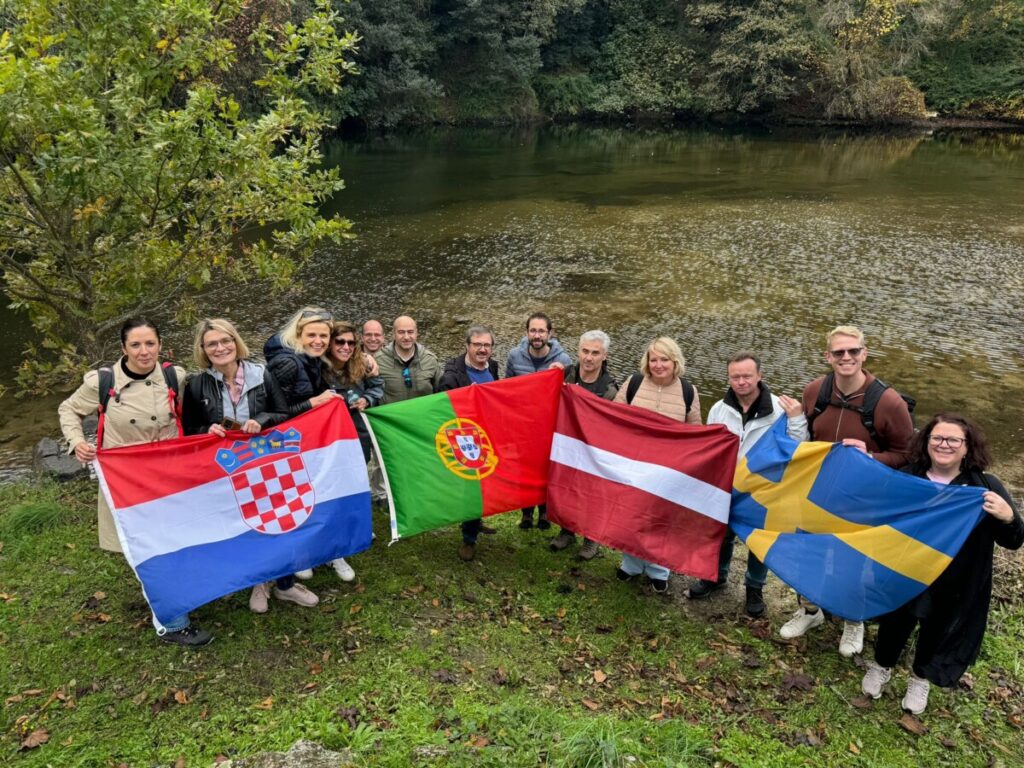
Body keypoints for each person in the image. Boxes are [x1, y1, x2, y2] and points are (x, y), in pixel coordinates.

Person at [58, 318, 210, 647]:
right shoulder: (102, 382)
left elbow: (195, 416)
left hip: (170, 476)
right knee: (148, 548)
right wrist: (76, 442)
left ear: (160, 345)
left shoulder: (175, 376)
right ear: (123, 349)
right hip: (128, 482)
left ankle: (179, 597)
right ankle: (173, 621)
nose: (144, 351)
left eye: (150, 344)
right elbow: (68, 410)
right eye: (136, 345)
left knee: (176, 541)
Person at [860, 413, 1023, 714]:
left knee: (937, 627)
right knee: (895, 622)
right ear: (927, 442)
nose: (944, 444)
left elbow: (1013, 540)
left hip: (954, 581)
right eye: (937, 438)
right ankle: (881, 666)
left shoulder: (985, 487)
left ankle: (919, 678)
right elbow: (879, 516)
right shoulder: (909, 477)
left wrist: (1009, 517)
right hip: (905, 571)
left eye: (953, 440)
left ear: (966, 447)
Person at [781, 325, 915, 656]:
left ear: (864, 354)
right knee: (809, 553)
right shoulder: (814, 391)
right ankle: (810, 611)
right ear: (828, 356)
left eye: (853, 351)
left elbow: (908, 455)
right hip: (819, 491)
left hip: (863, 497)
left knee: (853, 560)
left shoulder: (889, 402)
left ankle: (853, 620)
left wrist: (869, 457)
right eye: (839, 352)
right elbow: (807, 438)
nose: (846, 357)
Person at [181, 318, 306, 615]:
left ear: (236, 342)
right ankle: (257, 582)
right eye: (212, 344)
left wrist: (261, 421)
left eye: (226, 341)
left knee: (277, 520)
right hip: (226, 468)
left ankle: (286, 584)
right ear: (203, 350)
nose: (220, 348)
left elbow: (283, 413)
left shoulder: (262, 374)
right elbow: (188, 429)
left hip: (264, 462)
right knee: (242, 524)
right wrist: (206, 430)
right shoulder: (197, 384)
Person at [690, 352, 808, 617]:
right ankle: (715, 576)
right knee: (722, 535)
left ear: (759, 376)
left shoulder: (781, 409)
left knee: (759, 542)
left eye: (747, 376)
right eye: (735, 377)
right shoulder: (720, 409)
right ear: (729, 378)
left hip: (763, 488)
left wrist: (798, 419)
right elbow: (711, 446)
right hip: (727, 484)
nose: (741, 382)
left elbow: (799, 447)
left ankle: (754, 587)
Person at [262, 307, 342, 600]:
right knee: (287, 506)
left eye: (324, 335)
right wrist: (314, 402)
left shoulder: (310, 360)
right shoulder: (288, 363)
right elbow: (274, 413)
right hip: (283, 446)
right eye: (312, 335)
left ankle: (302, 557)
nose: (319, 341)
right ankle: (285, 572)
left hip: (299, 444)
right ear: (298, 334)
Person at [612, 337, 701, 593]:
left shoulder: (688, 391)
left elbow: (695, 430)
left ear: (675, 362)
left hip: (667, 467)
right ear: (647, 362)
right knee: (633, 514)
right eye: (654, 360)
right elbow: (614, 416)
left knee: (661, 518)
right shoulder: (634, 383)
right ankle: (631, 563)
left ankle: (658, 568)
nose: (659, 365)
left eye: (664, 359)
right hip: (635, 462)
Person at [549, 330, 618, 560]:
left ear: (604, 356)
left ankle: (591, 539)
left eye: (595, 353)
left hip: (593, 450)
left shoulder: (609, 389)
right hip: (566, 445)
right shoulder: (564, 375)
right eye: (585, 351)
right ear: (578, 351)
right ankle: (567, 531)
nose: (588, 358)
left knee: (592, 494)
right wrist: (548, 376)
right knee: (567, 489)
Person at [505, 312, 571, 531]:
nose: (537, 335)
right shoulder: (514, 356)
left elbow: (569, 394)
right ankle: (526, 513)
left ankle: (543, 512)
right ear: (527, 333)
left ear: (549, 333)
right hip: (523, 424)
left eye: (541, 331)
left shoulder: (564, 361)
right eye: (533, 330)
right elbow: (507, 388)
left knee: (545, 469)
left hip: (549, 425)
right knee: (524, 469)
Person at [440, 325, 500, 561]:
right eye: (477, 345)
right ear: (467, 346)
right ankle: (469, 539)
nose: (482, 350)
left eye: (487, 345)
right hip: (465, 438)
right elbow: (443, 408)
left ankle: (475, 519)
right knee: (470, 487)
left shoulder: (493, 367)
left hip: (487, 433)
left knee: (485, 481)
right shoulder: (452, 376)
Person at [375, 315, 441, 404]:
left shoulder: (430, 360)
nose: (406, 337)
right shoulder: (378, 361)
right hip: (392, 416)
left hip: (423, 415)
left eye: (410, 332)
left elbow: (442, 392)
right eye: (401, 332)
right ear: (394, 334)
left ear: (416, 333)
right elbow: (370, 392)